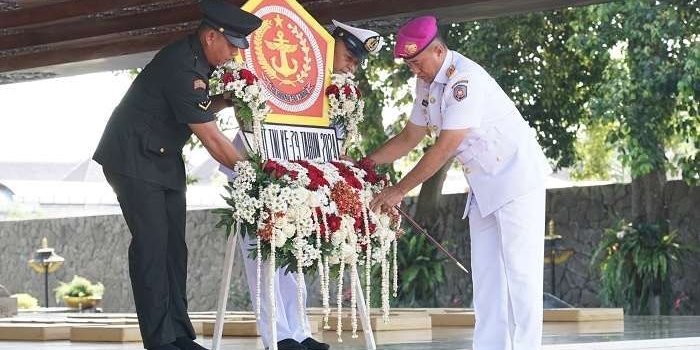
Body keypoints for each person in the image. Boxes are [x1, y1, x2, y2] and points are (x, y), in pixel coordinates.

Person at [366, 16, 551, 350]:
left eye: (418, 63)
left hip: (515, 178)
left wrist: (398, 190)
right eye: (409, 65)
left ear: (438, 51)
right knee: (486, 278)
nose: (414, 71)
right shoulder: (427, 82)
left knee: (521, 277)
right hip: (484, 185)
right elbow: (411, 135)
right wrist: (365, 163)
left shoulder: (464, 79)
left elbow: (446, 147)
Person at [93, 2, 262, 350]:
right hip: (133, 159)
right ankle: (160, 341)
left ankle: (179, 336)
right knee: (152, 247)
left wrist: (225, 99)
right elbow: (212, 139)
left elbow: (193, 105)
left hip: (164, 158)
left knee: (175, 250)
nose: (233, 53)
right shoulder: (180, 65)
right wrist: (259, 177)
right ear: (210, 35)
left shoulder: (199, 61)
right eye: (231, 45)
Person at [218, 20, 384, 350]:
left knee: (297, 253)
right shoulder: (295, 71)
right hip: (257, 167)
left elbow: (336, 145)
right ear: (327, 44)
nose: (352, 64)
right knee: (265, 255)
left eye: (356, 59)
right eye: (348, 54)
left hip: (303, 175)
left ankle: (298, 330)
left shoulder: (336, 92)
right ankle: (277, 335)